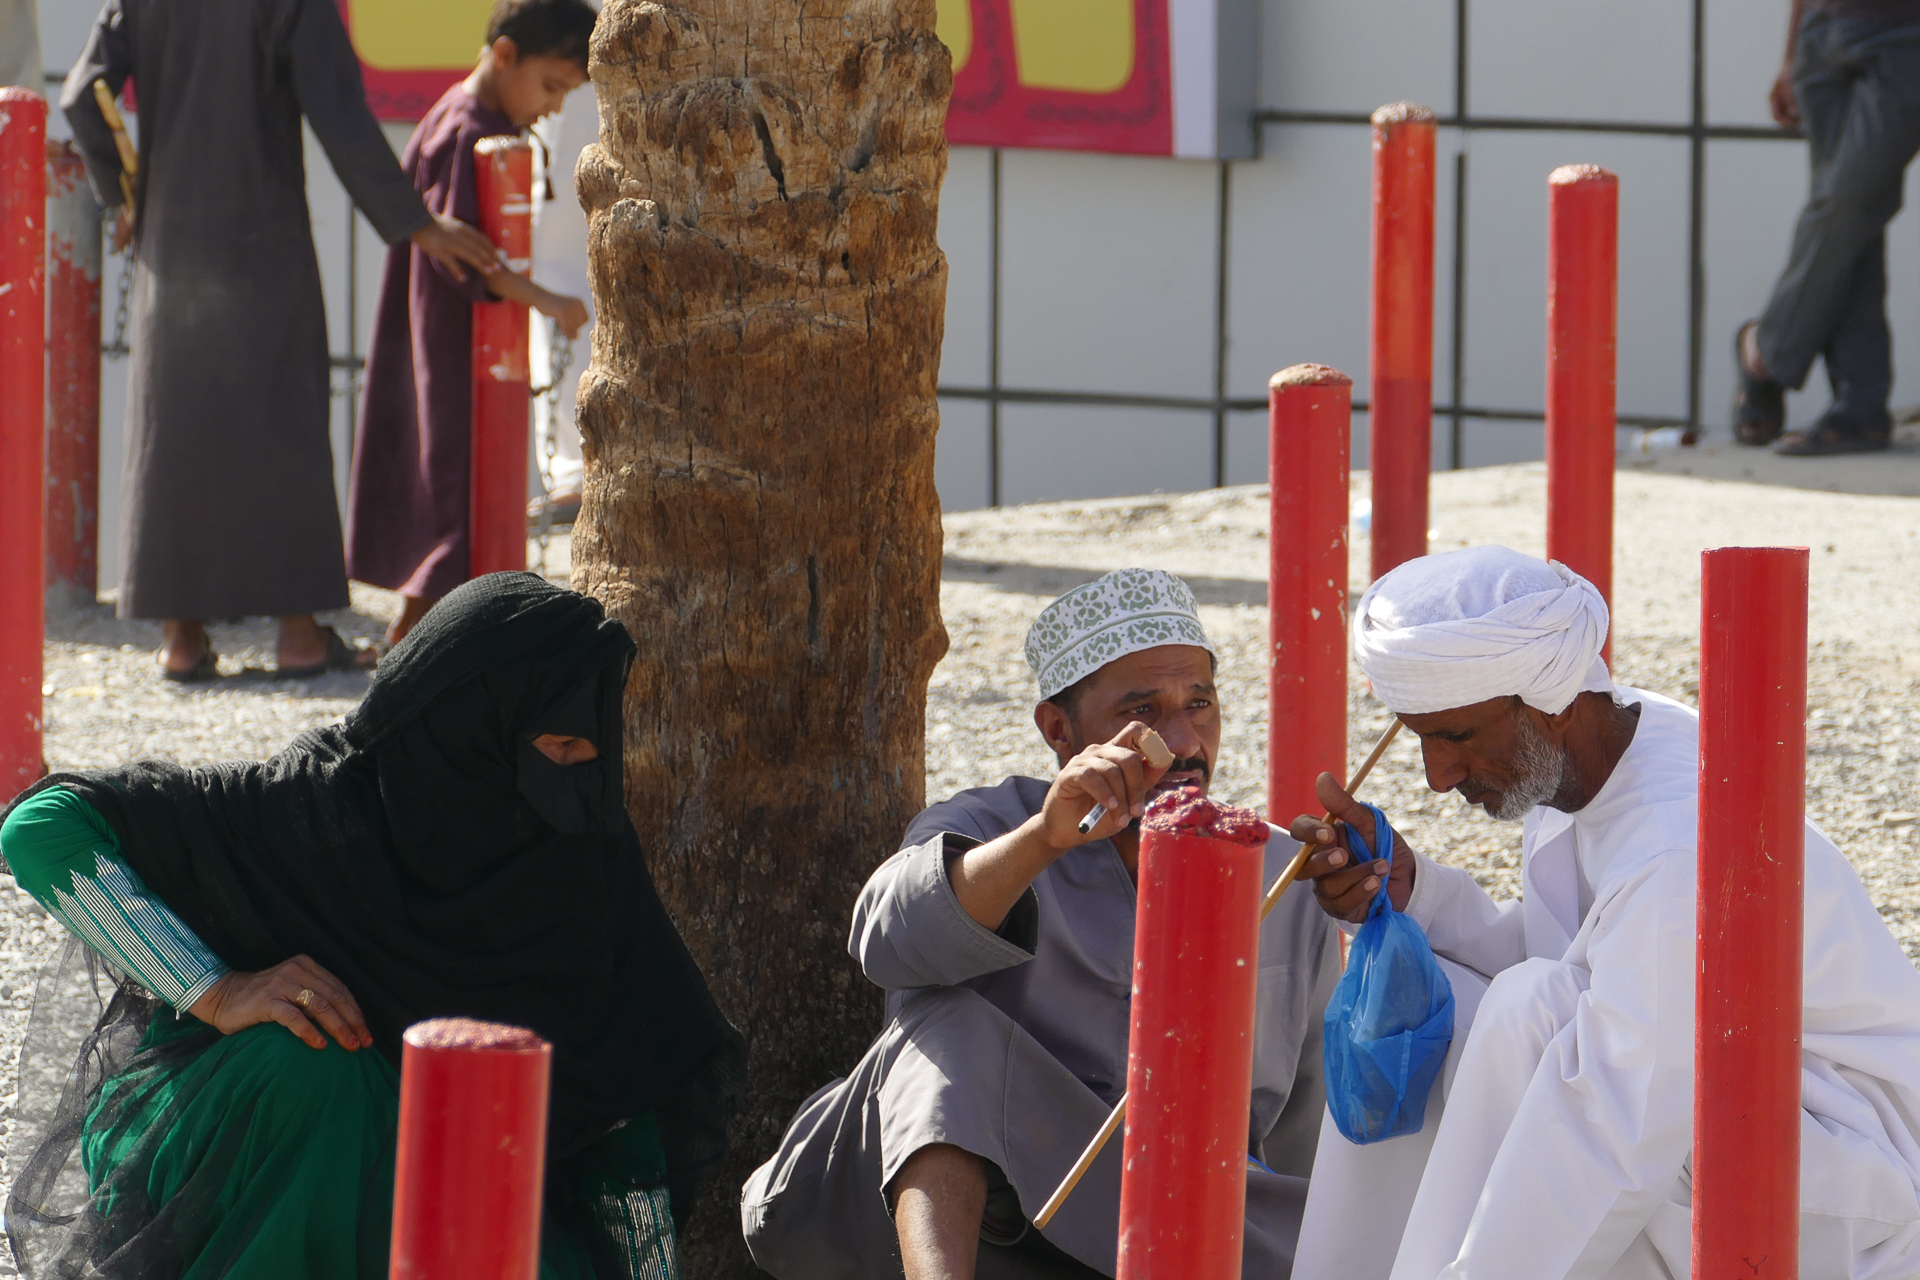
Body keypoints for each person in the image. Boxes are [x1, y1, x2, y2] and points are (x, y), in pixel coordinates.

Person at [0, 572, 745, 1278]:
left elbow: (625, 1109)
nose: (581, 789)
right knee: (316, 1069)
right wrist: (214, 989)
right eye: (557, 750)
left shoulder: (582, 864)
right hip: (238, 1161)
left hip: (456, 1196)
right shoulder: (307, 813)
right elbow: (39, 829)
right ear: (464, 733)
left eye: (593, 755)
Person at [1290, 545, 1920, 1279]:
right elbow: (1576, 958)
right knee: (1422, 1008)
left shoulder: (1677, 844)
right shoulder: (1588, 754)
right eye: (1422, 737)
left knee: (1535, 1017)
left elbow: (1616, 1130)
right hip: (1683, 1097)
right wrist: (1413, 896)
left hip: (1836, 1174)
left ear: (1549, 706)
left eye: (1456, 737)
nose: (1437, 778)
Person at [742, 568, 1342, 1280]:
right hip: (994, 1228)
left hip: (1180, 1220)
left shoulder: (1275, 868)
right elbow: (886, 937)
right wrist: (1044, 840)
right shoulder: (992, 824)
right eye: (1144, 712)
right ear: (1060, 731)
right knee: (950, 1033)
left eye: (1201, 704)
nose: (1182, 741)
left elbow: (1307, 1120)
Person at [60, 0, 501, 681]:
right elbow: (340, 114)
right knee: (283, 425)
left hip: (172, 249)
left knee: (176, 430)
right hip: (264, 243)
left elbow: (82, 91)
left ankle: (181, 638)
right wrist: (416, 222)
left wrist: (123, 193)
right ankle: (298, 634)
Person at [347, 0, 594, 649]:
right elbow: (477, 260)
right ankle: (411, 639)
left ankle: (423, 637)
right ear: (506, 54)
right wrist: (549, 300)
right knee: (454, 475)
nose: (552, 108)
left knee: (455, 476)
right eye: (551, 87)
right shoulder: (468, 126)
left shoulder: (468, 116)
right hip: (451, 340)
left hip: (447, 333)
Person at [1733, 0, 1920, 456]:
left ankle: (1765, 350)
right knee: (1853, 224)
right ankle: (1860, 410)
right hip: (1821, 33)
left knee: (1847, 204)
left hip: (1906, 36)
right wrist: (1791, 53)